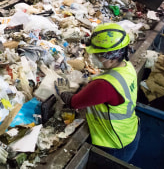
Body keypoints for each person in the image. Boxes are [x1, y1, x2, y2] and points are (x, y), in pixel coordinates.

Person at [56, 23, 140, 161]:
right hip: (130, 131)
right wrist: (89, 82)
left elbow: (74, 102)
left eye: (97, 55)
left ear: (111, 57)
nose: (93, 57)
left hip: (113, 143)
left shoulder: (103, 84)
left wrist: (63, 91)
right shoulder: (127, 66)